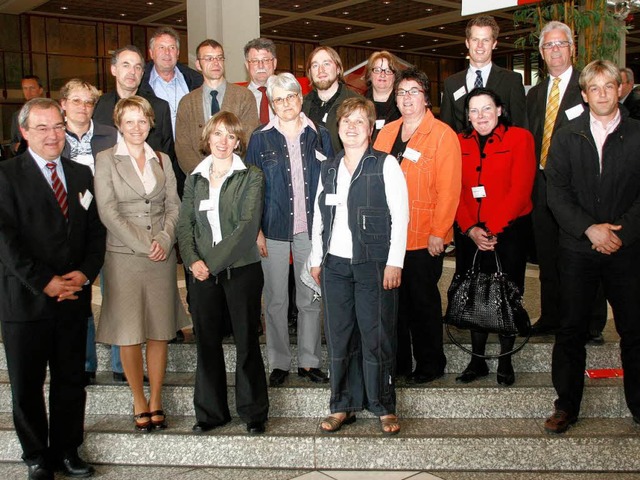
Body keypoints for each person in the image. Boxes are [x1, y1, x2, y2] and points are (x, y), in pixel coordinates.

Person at [0, 97, 105, 480]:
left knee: (70, 381)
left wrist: (85, 272)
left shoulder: (80, 175)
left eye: (58, 126)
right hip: (25, 301)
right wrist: (45, 281)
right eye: (42, 128)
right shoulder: (6, 176)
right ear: (25, 132)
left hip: (72, 299)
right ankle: (36, 457)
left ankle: (67, 450)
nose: (52, 135)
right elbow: (6, 240)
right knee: (27, 385)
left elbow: (95, 232)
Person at [544, 60, 640, 433]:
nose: (602, 93)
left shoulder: (637, 134)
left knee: (634, 331)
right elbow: (557, 192)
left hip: (627, 249)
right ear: (584, 95)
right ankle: (566, 406)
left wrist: (621, 233)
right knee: (570, 331)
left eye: (608, 86)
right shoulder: (567, 137)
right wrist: (589, 230)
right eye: (594, 88)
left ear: (620, 89)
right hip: (577, 249)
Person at [309, 97, 408, 435]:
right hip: (335, 265)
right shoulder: (330, 167)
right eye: (345, 121)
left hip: (374, 264)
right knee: (339, 337)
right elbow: (319, 218)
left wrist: (395, 261)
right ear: (338, 129)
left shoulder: (385, 165)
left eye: (358, 121)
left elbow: (400, 217)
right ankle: (342, 405)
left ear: (370, 128)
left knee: (376, 335)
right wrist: (315, 258)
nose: (351, 127)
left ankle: (383, 405)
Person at [94, 96, 188, 433]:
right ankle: (138, 398)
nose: (137, 127)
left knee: (159, 330)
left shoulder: (161, 158)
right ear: (119, 124)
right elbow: (107, 211)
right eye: (129, 120)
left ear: (151, 123)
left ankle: (157, 398)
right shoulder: (106, 160)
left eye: (142, 120)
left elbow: (175, 205)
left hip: (160, 256)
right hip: (123, 256)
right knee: (130, 332)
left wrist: (163, 241)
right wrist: (143, 244)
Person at [177, 111, 269, 435]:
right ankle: (211, 413)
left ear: (238, 141)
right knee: (207, 344)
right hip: (201, 272)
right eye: (217, 134)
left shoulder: (252, 175)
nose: (223, 141)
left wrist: (210, 265)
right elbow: (184, 224)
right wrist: (192, 261)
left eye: (230, 136)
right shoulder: (194, 177)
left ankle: (253, 413)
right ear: (207, 138)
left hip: (241, 271)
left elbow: (247, 228)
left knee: (246, 342)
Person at [245, 73, 333, 387]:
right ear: (271, 103)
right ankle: (279, 362)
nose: (285, 104)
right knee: (276, 299)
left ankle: (310, 362)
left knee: (309, 298)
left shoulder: (320, 135)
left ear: (300, 97)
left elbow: (332, 183)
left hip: (311, 229)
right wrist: (255, 231)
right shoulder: (260, 138)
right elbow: (250, 188)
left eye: (290, 97)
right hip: (272, 230)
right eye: (278, 99)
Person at [374, 67, 461, 383]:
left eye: (413, 91)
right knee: (394, 305)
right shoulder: (385, 133)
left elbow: (450, 189)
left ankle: (430, 364)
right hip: (388, 236)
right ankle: (397, 364)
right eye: (401, 92)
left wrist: (440, 231)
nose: (407, 98)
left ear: (426, 97)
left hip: (424, 236)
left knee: (422, 302)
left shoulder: (442, 135)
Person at [525, 21, 607, 339]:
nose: (555, 50)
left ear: (572, 49)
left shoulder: (586, 87)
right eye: (549, 45)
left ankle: (592, 321)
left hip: (579, 188)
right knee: (548, 255)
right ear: (542, 53)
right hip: (542, 186)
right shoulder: (533, 95)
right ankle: (551, 315)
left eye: (561, 44)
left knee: (586, 251)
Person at [453, 88, 536, 385]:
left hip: (508, 232)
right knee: (473, 294)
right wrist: (471, 228)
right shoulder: (459, 141)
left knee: (505, 294)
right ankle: (477, 361)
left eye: (486, 109)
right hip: (470, 232)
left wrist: (492, 229)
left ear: (499, 109)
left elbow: (521, 190)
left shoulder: (520, 138)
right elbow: (455, 190)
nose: (480, 116)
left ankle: (505, 360)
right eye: (473, 111)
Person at [58, 78, 118, 384]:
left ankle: (122, 365)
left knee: (117, 294)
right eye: (77, 101)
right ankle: (85, 363)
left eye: (89, 102)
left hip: (110, 225)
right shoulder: (55, 139)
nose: (83, 107)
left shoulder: (110, 135)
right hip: (72, 230)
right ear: (63, 104)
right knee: (79, 297)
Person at [175, 39, 259, 176]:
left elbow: (248, 141)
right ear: (198, 64)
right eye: (209, 58)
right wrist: (203, 176)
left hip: (236, 179)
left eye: (219, 58)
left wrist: (229, 174)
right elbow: (183, 148)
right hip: (199, 179)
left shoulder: (244, 97)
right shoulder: (187, 103)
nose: (216, 63)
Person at [93, 45, 175, 175]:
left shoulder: (159, 108)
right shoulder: (98, 106)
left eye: (137, 67)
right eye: (126, 65)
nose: (132, 72)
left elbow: (167, 153)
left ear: (142, 74)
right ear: (113, 69)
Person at [440, 15, 526, 133]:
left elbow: (520, 126)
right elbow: (446, 129)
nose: (480, 46)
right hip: (463, 150)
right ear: (467, 42)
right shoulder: (451, 83)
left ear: (494, 44)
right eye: (475, 40)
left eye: (485, 40)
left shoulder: (511, 80)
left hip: (501, 149)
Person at [302, 46, 362, 152]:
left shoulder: (357, 103)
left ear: (338, 69)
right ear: (310, 72)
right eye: (315, 65)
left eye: (326, 64)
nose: (321, 70)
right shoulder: (301, 105)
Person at [364, 51, 401, 142]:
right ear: (370, 75)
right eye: (377, 70)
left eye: (388, 71)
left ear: (395, 76)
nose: (382, 74)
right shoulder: (360, 105)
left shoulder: (403, 105)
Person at [244, 37, 278, 125]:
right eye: (255, 61)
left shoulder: (288, 95)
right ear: (247, 65)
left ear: (274, 63)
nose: (261, 66)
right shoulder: (239, 98)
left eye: (266, 60)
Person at [10, 75, 44, 156]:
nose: (28, 92)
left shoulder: (51, 112)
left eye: (32, 88)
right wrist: (16, 147)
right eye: (25, 88)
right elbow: (12, 142)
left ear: (40, 90)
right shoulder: (17, 115)